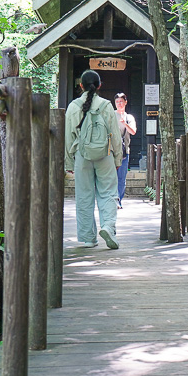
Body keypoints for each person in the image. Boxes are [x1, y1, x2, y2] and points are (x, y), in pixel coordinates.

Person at [65, 69, 123, 249]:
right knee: (108, 193)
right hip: (105, 155)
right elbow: (116, 137)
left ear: (80, 86)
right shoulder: (106, 106)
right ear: (99, 86)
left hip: (82, 156)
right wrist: (118, 159)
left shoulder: (73, 106)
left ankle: (89, 238)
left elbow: (68, 137)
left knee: (84, 196)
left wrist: (69, 162)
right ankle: (108, 227)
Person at [113, 92, 137, 208]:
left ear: (125, 102)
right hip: (111, 152)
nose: (119, 104)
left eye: (121, 101)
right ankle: (112, 199)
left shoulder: (129, 117)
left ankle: (118, 199)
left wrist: (125, 124)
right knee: (111, 177)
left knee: (121, 178)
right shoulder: (111, 115)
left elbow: (133, 131)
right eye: (117, 101)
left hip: (124, 151)